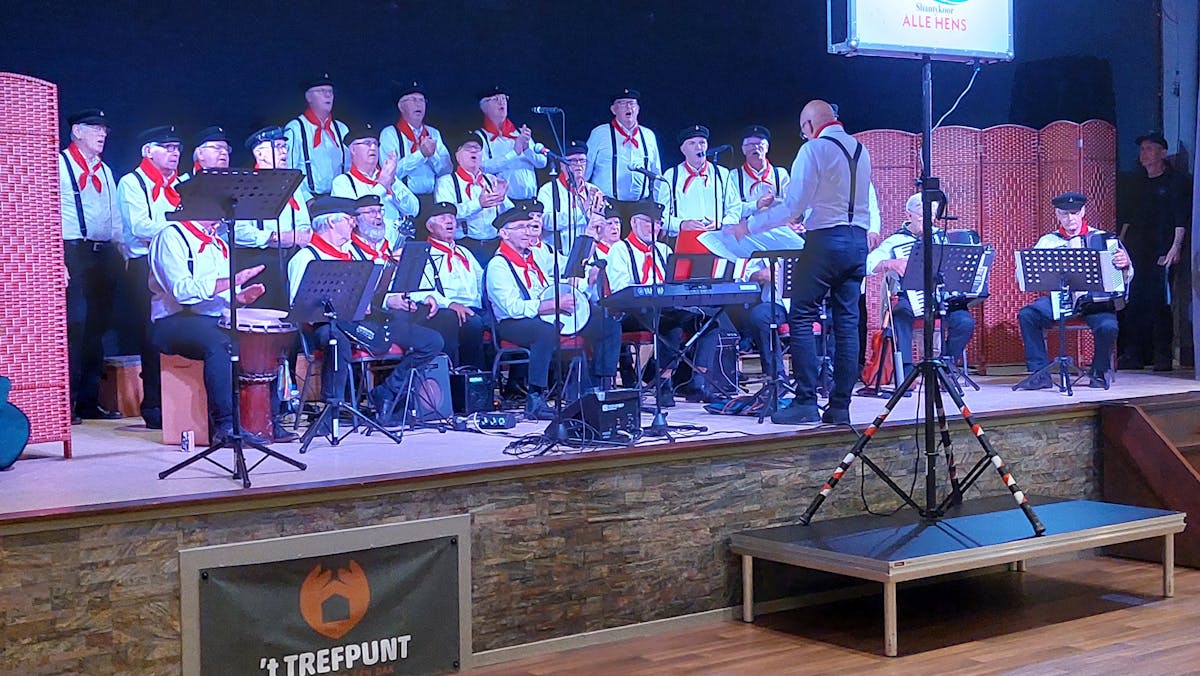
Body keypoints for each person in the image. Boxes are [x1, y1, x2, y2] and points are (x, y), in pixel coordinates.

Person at [730, 100, 872, 426]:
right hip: (856, 242)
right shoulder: (860, 150)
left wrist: (747, 226)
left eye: (803, 131)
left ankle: (806, 401)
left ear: (809, 125)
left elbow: (793, 209)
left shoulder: (813, 149)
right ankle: (840, 407)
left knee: (802, 315)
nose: (803, 136)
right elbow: (829, 197)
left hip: (826, 242)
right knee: (847, 323)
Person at [486, 204, 619, 419]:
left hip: (546, 313)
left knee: (605, 323)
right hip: (514, 322)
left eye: (529, 227)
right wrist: (551, 305)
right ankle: (535, 397)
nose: (527, 232)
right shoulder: (498, 265)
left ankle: (599, 385)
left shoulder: (537, 256)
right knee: (545, 331)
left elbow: (569, 268)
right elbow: (512, 307)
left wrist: (590, 245)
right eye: (520, 227)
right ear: (504, 233)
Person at [146, 217, 271, 445]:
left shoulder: (218, 242)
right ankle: (225, 424)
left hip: (210, 319)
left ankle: (267, 420)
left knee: (261, 337)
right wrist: (231, 281)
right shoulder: (171, 235)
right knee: (220, 342)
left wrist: (240, 299)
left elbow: (223, 299)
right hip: (173, 321)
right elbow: (181, 291)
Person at [1015, 192, 1133, 390]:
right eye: (1064, 214)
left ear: (1083, 212)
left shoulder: (1104, 240)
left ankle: (1098, 372)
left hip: (1094, 304)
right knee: (1028, 315)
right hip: (1059, 300)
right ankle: (1039, 374)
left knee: (1108, 326)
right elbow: (1025, 276)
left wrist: (1125, 265)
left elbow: (1125, 278)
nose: (1070, 218)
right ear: (1057, 214)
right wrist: (1025, 269)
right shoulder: (1048, 242)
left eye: (1074, 213)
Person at [864, 193, 976, 378]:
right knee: (900, 315)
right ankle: (907, 373)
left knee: (965, 322)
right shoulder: (896, 241)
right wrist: (889, 263)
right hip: (909, 297)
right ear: (908, 215)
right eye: (922, 215)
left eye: (932, 216)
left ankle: (944, 368)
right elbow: (867, 264)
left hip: (941, 297)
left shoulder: (942, 238)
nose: (928, 221)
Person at [118, 124, 184, 430]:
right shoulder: (132, 182)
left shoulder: (181, 184)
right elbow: (140, 226)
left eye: (177, 148)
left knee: (177, 327)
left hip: (177, 262)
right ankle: (154, 404)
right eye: (167, 148)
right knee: (151, 335)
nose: (174, 153)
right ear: (148, 151)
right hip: (144, 264)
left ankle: (181, 401)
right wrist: (180, 225)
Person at [60, 108, 123, 423]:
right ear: (77, 131)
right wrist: (56, 259)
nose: (102, 134)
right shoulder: (58, 165)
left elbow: (114, 216)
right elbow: (46, 214)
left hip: (104, 253)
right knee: (75, 326)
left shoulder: (105, 171)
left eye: (105, 129)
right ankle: (65, 402)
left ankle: (88, 400)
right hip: (73, 250)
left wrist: (121, 250)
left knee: (98, 328)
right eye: (95, 128)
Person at [604, 200, 692, 407]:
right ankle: (663, 383)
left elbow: (676, 283)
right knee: (670, 324)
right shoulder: (620, 249)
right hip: (631, 313)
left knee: (707, 320)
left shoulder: (664, 250)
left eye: (658, 223)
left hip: (664, 309)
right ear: (634, 223)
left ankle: (695, 381)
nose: (655, 227)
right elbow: (620, 290)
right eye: (648, 222)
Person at [1117, 132, 1191, 371]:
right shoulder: (1136, 182)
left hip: (1162, 249)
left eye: (1149, 149)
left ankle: (1162, 356)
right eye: (1142, 149)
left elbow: (1180, 218)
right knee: (1133, 301)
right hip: (1135, 251)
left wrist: (1175, 247)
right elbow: (1127, 218)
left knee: (1160, 302)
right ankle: (1134, 354)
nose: (1144, 154)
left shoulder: (1175, 181)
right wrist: (1119, 245)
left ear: (1163, 152)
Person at [235, 125, 314, 310]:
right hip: (260, 261)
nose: (284, 152)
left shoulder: (292, 184)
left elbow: (304, 224)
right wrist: (275, 237)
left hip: (291, 258)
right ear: (260, 154)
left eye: (284, 147)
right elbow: (238, 232)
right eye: (278, 147)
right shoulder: (245, 184)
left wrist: (299, 236)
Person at [410, 202, 487, 370]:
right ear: (430, 226)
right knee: (472, 323)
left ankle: (490, 377)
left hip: (473, 306)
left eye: (452, 217)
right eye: (443, 218)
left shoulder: (464, 252)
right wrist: (450, 304)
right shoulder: (423, 253)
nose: (450, 221)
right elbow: (421, 290)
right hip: (443, 309)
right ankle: (464, 374)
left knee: (496, 321)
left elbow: (482, 281)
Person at [330, 122, 419, 246]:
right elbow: (351, 216)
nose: (373, 147)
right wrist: (382, 186)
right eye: (367, 143)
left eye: (375, 144)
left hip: (397, 246)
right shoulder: (343, 182)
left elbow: (414, 210)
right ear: (353, 149)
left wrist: (392, 182)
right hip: (364, 249)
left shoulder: (388, 177)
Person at [434, 133, 512, 262]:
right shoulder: (446, 182)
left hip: (495, 243)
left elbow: (509, 213)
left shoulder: (492, 179)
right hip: (466, 245)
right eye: (468, 148)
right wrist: (478, 204)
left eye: (477, 148)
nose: (474, 151)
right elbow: (446, 216)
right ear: (457, 155)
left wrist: (501, 199)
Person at [378, 80, 452, 211]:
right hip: (403, 202)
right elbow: (389, 173)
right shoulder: (390, 133)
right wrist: (420, 155)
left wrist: (432, 155)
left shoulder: (433, 133)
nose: (419, 104)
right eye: (413, 100)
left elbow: (447, 170)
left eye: (422, 100)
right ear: (401, 106)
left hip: (433, 199)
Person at [585, 88, 663, 204]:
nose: (628, 107)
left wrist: (656, 203)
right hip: (607, 205)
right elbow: (586, 168)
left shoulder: (648, 135)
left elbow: (656, 172)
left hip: (641, 206)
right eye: (622, 103)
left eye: (632, 103)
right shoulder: (600, 133)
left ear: (638, 109)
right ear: (613, 109)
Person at [662, 125, 739, 236]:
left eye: (702, 143)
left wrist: (722, 224)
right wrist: (681, 224)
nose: (698, 147)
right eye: (692, 143)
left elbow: (735, 207)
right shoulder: (671, 175)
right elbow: (661, 215)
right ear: (683, 150)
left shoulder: (722, 173)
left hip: (717, 237)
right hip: (684, 238)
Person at [474, 85, 546, 201]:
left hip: (531, 199)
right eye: (496, 99)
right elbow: (482, 167)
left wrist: (527, 149)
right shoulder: (481, 136)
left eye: (504, 98)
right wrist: (514, 152)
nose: (501, 102)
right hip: (505, 202)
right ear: (484, 106)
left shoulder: (519, 132)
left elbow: (542, 163)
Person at [284, 73, 348, 197]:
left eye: (330, 91)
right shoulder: (295, 129)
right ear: (309, 97)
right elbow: (289, 170)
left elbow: (349, 166)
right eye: (321, 91)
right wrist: (306, 198)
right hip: (311, 199)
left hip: (339, 197)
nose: (328, 95)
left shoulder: (341, 129)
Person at [536, 139, 607, 250]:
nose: (578, 165)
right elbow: (546, 222)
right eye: (573, 161)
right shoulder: (548, 190)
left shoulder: (593, 190)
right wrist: (582, 209)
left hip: (588, 251)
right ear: (562, 165)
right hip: (557, 253)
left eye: (582, 160)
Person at [733, 125, 790, 219]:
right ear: (743, 149)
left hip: (777, 225)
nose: (755, 147)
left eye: (760, 144)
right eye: (750, 145)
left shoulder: (780, 174)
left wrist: (774, 202)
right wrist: (756, 204)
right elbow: (732, 209)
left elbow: (790, 204)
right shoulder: (734, 176)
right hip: (747, 226)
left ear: (767, 148)